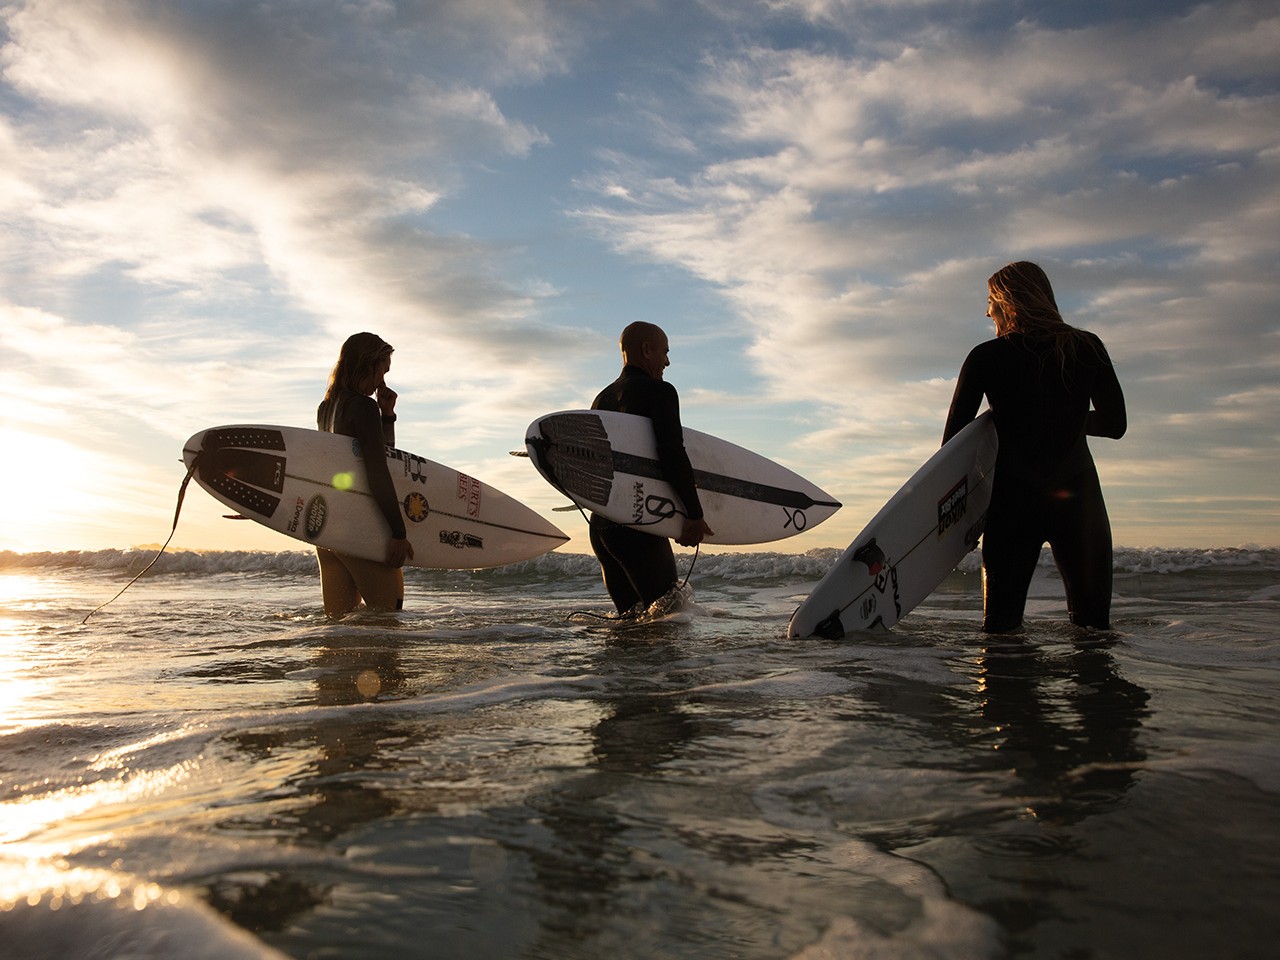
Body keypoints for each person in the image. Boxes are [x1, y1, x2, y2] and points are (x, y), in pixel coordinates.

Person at [943, 261, 1126, 633]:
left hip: (1012, 504)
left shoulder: (987, 357)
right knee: (1093, 634)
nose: (986, 310)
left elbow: (953, 446)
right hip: (1079, 503)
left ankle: (1008, 691)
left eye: (990, 300)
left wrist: (956, 516)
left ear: (1008, 303)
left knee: (1001, 634)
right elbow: (1114, 425)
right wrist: (1069, 420)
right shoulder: (1086, 347)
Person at [589, 321, 714, 615]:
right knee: (668, 621)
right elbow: (671, 452)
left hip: (602, 525)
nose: (667, 361)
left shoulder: (602, 399)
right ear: (647, 350)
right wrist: (693, 514)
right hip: (637, 524)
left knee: (630, 628)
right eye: (664, 352)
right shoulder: (660, 391)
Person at [315, 332, 414, 616]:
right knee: (387, 626)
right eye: (382, 371)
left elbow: (330, 467)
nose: (382, 382)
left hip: (329, 535)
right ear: (367, 365)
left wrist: (387, 415)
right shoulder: (361, 406)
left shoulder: (326, 408)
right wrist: (398, 533)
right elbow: (378, 469)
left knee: (340, 632)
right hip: (360, 532)